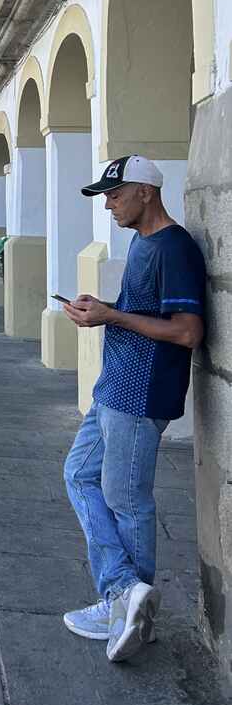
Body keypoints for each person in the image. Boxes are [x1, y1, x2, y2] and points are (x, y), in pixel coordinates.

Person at [60, 156, 205, 663]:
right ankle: (124, 590)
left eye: (115, 193)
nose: (108, 203)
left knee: (127, 499)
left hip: (142, 394)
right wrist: (100, 313)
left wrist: (112, 314)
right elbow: (137, 315)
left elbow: (188, 332)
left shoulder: (175, 247)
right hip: (113, 389)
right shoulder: (143, 242)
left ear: (145, 191)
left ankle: (128, 611)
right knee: (78, 474)